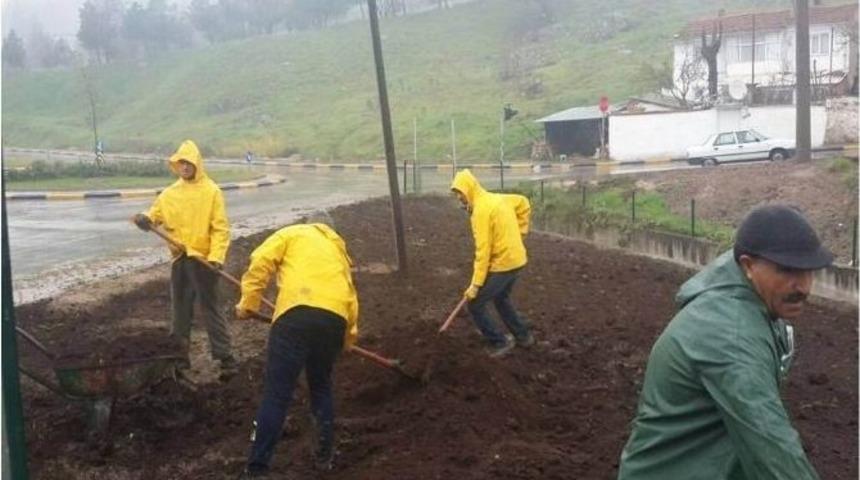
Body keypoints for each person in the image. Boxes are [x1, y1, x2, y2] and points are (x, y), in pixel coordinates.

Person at [617, 205, 832, 480]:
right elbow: (771, 447)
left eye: (809, 271)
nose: (804, 286)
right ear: (748, 266)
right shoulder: (731, 336)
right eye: (787, 270)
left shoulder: (751, 296)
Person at [235, 211, 359, 478]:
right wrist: (347, 339)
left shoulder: (293, 233)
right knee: (321, 386)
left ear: (307, 223)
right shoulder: (339, 253)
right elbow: (351, 297)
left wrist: (249, 303)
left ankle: (257, 468)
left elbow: (261, 260)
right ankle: (324, 457)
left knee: (277, 393)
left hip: (295, 315)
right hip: (333, 321)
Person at [132, 140, 236, 378]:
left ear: (197, 164)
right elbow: (154, 214)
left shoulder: (211, 191)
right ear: (176, 165)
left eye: (189, 163)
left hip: (204, 261)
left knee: (211, 310)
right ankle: (179, 359)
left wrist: (216, 257)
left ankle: (226, 358)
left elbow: (220, 229)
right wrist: (144, 218)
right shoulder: (170, 194)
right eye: (181, 163)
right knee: (180, 311)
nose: (185, 167)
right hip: (180, 259)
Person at [450, 169, 534, 357]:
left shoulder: (481, 212)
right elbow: (524, 203)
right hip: (517, 259)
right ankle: (523, 337)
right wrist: (521, 232)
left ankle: (500, 342)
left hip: (505, 263)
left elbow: (483, 252)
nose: (459, 198)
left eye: (460, 193)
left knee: (475, 304)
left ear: (469, 189)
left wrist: (475, 285)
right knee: (501, 298)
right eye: (456, 194)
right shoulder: (497, 198)